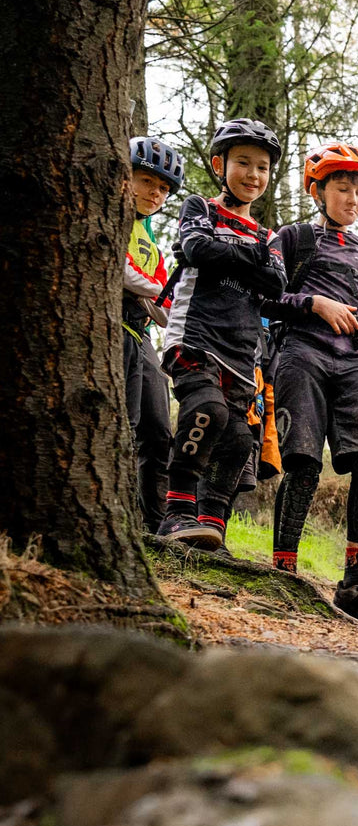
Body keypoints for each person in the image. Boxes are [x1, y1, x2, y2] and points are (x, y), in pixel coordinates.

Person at [264, 141, 358, 624]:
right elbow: (265, 299)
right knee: (302, 461)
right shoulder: (292, 237)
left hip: (353, 364)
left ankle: (355, 582)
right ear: (318, 190)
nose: (353, 198)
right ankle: (283, 571)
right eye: (343, 188)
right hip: (299, 354)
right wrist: (314, 304)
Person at [158, 118, 286, 549]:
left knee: (237, 437)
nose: (253, 175)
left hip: (242, 350)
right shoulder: (201, 208)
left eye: (263, 167)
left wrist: (226, 253)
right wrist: (249, 258)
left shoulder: (270, 235)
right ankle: (175, 514)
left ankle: (212, 525)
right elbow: (196, 248)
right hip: (194, 335)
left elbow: (277, 284)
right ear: (219, 164)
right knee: (205, 412)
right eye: (243, 163)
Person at [122, 136, 182, 533]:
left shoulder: (152, 241)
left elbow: (161, 311)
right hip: (115, 329)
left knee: (159, 431)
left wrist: (176, 307)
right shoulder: (113, 217)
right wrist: (154, 292)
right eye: (147, 181)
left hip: (142, 335)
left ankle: (155, 524)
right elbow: (120, 268)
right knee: (123, 421)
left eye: (163, 188)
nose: (155, 193)